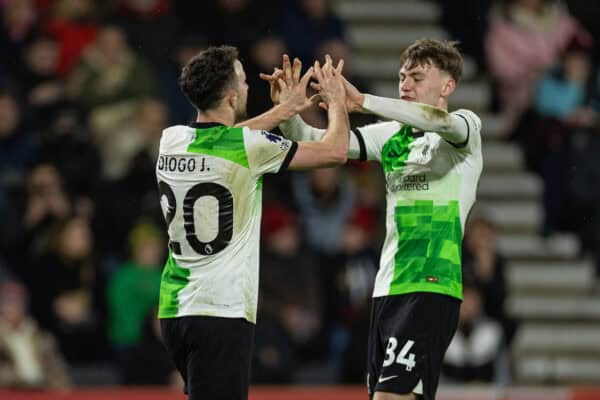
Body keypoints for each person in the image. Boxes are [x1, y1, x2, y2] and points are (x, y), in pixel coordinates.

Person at [263, 39, 483, 400]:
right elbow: (321, 145)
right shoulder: (392, 136)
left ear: (448, 86)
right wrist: (288, 115)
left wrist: (361, 100)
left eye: (416, 76)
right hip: (387, 290)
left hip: (430, 285)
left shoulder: (465, 129)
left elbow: (437, 120)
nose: (405, 85)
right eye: (401, 77)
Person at [156, 45, 349, 400]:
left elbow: (223, 139)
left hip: (175, 311)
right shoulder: (250, 148)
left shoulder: (172, 140)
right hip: (221, 312)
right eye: (244, 81)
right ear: (231, 97)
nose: (248, 88)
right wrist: (334, 100)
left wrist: (281, 111)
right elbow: (335, 151)